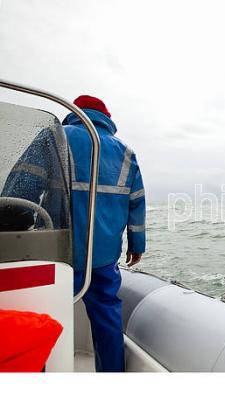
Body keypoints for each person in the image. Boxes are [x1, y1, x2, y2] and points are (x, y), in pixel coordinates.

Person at [64, 95, 146, 372]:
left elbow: (24, 183)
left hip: (61, 254)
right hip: (103, 257)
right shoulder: (125, 152)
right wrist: (137, 245)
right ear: (107, 117)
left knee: (46, 315)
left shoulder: (57, 137)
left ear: (75, 112)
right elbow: (136, 203)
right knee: (107, 319)